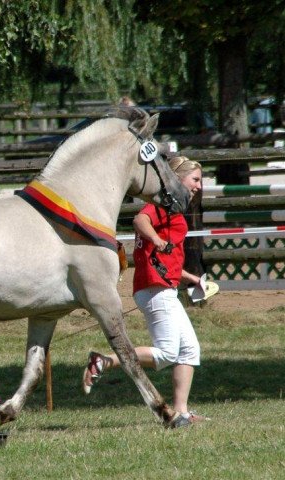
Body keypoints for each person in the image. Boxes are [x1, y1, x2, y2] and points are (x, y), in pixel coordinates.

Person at [83, 156, 205, 427]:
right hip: (154, 287)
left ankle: (182, 412)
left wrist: (190, 278)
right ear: (177, 177)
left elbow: (166, 256)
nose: (199, 185)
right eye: (195, 179)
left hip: (165, 286)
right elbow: (139, 220)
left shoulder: (172, 208)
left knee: (189, 350)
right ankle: (104, 361)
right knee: (167, 353)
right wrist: (156, 238)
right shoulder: (159, 204)